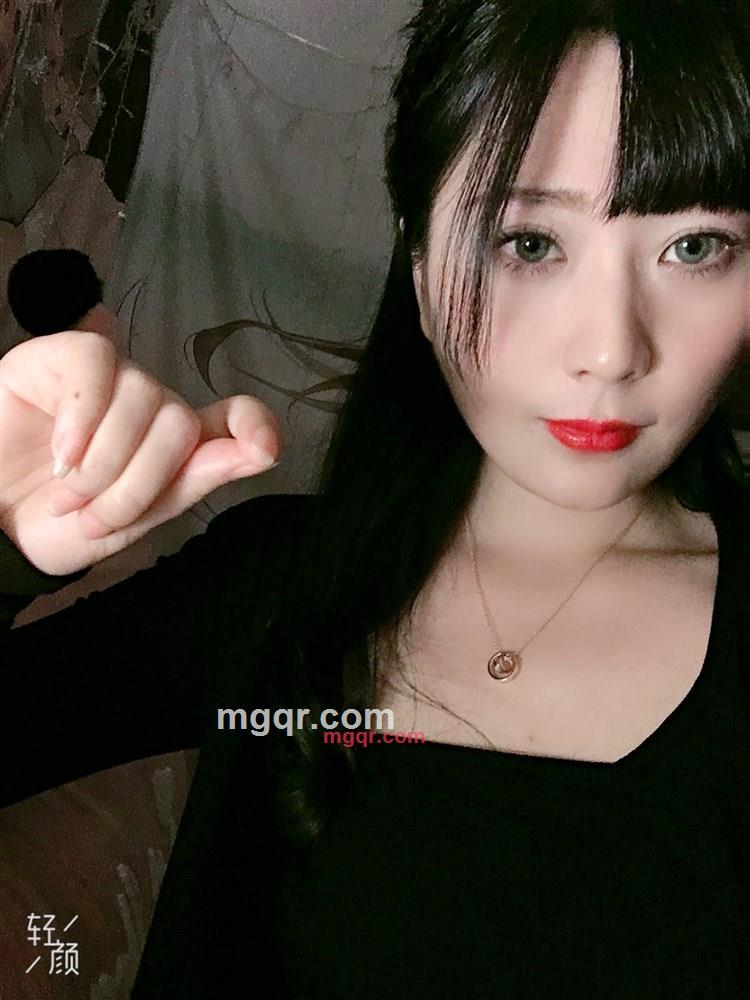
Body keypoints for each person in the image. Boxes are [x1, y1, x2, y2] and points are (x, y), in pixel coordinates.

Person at [1, 0, 749, 996]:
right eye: (530, 242)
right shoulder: (283, 590)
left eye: (694, 247)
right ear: (420, 263)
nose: (612, 349)